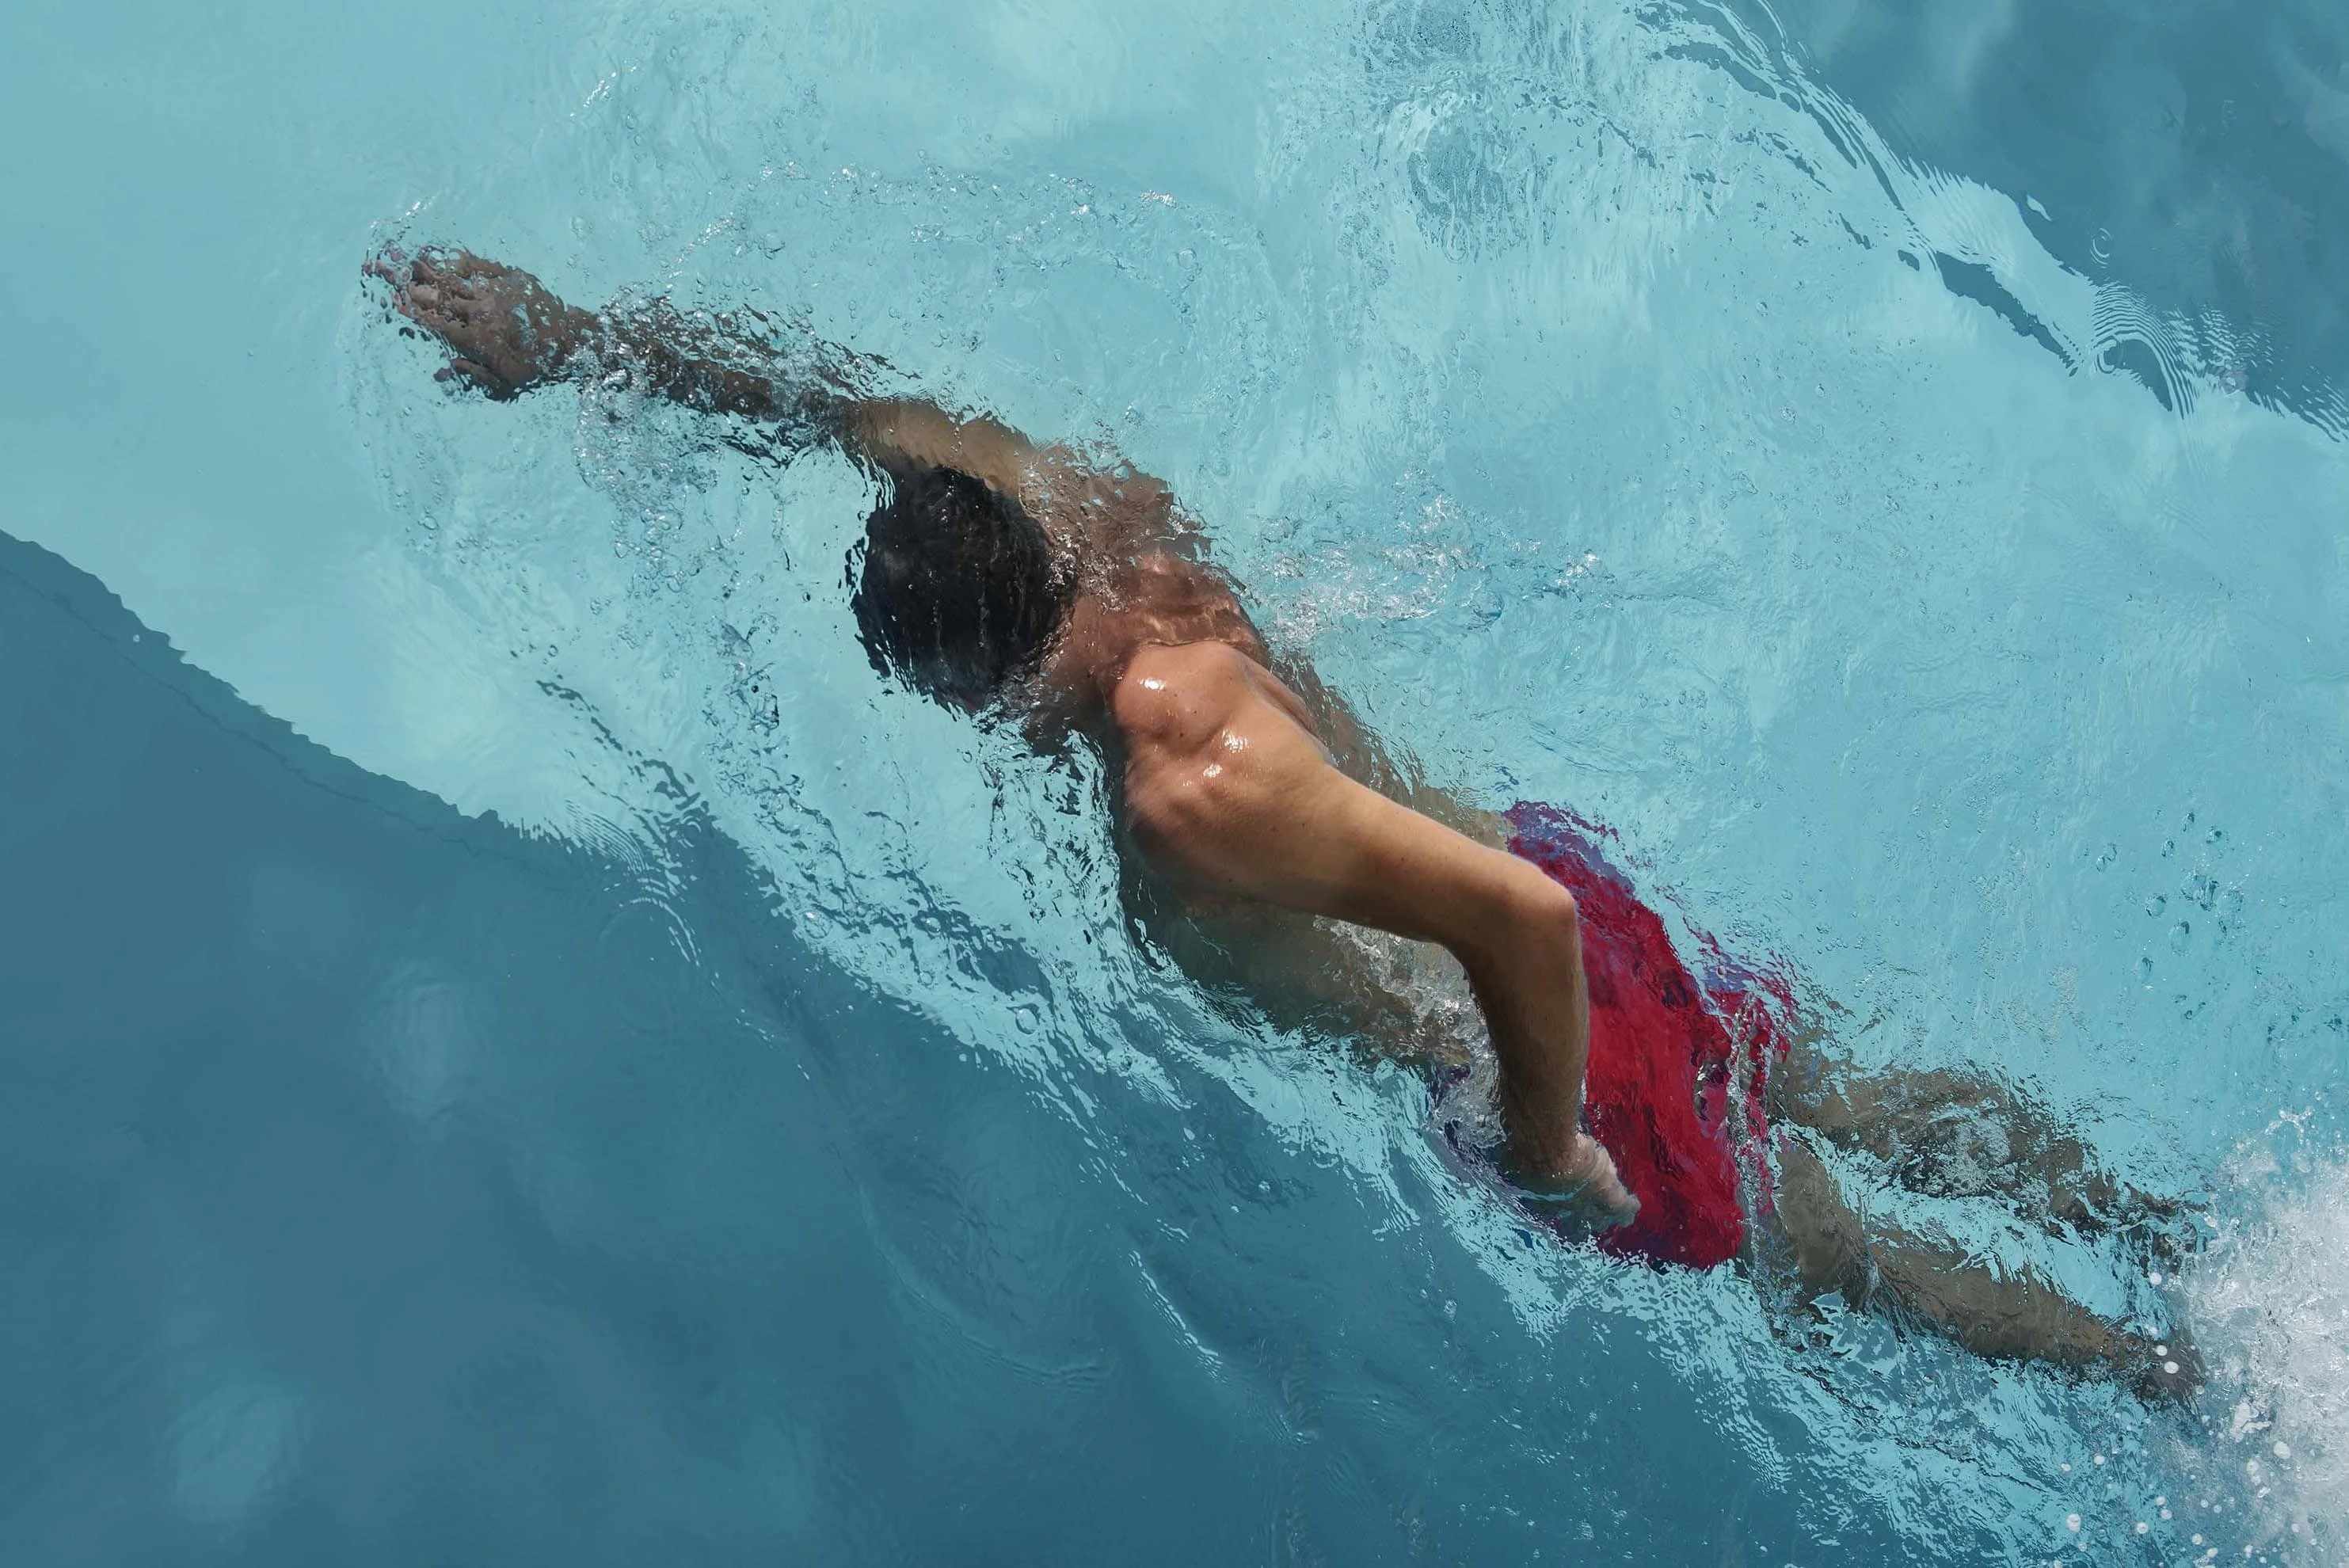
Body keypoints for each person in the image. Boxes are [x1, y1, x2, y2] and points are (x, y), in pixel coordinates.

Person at [367, 247, 2197, 1397]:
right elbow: (820, 398)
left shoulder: (1185, 790)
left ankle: (2187, 1381)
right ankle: (2178, 1229)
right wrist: (577, 341)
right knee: (1838, 1096)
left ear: (993, 687)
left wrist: (1553, 1157)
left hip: (1527, 1029)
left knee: (1826, 1247)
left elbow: (1513, 939)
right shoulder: (1056, 502)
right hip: (1567, 888)